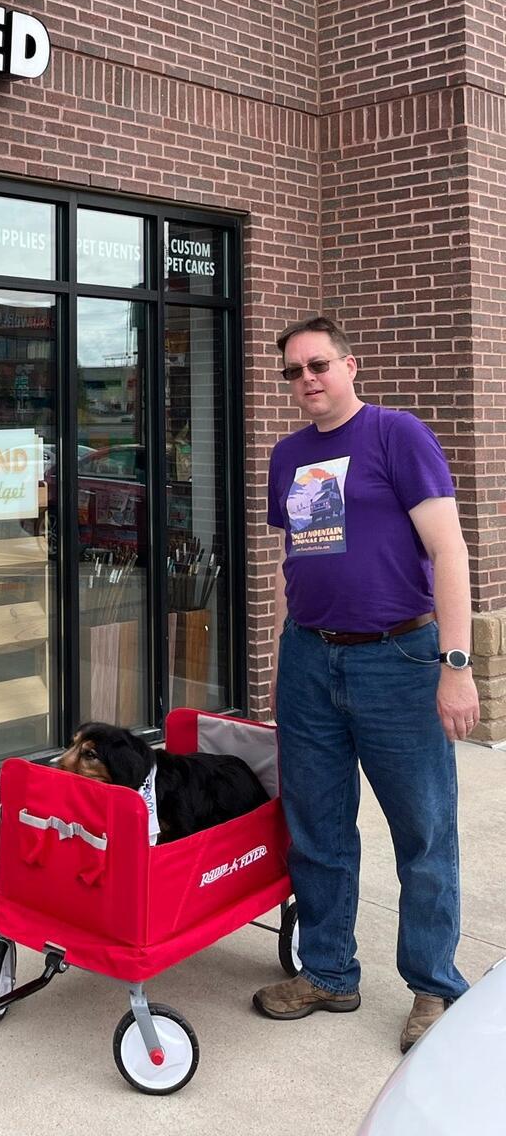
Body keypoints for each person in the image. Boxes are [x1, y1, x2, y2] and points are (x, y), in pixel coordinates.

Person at [253, 315, 480, 1053]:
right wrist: (283, 656)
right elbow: (295, 557)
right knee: (317, 830)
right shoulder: (288, 455)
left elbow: (449, 550)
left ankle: (434, 986)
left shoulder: (396, 435)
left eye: (318, 364)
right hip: (310, 661)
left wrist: (455, 665)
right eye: (293, 371)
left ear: (350, 365)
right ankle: (327, 972)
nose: (306, 380)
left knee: (423, 833)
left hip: (399, 661)